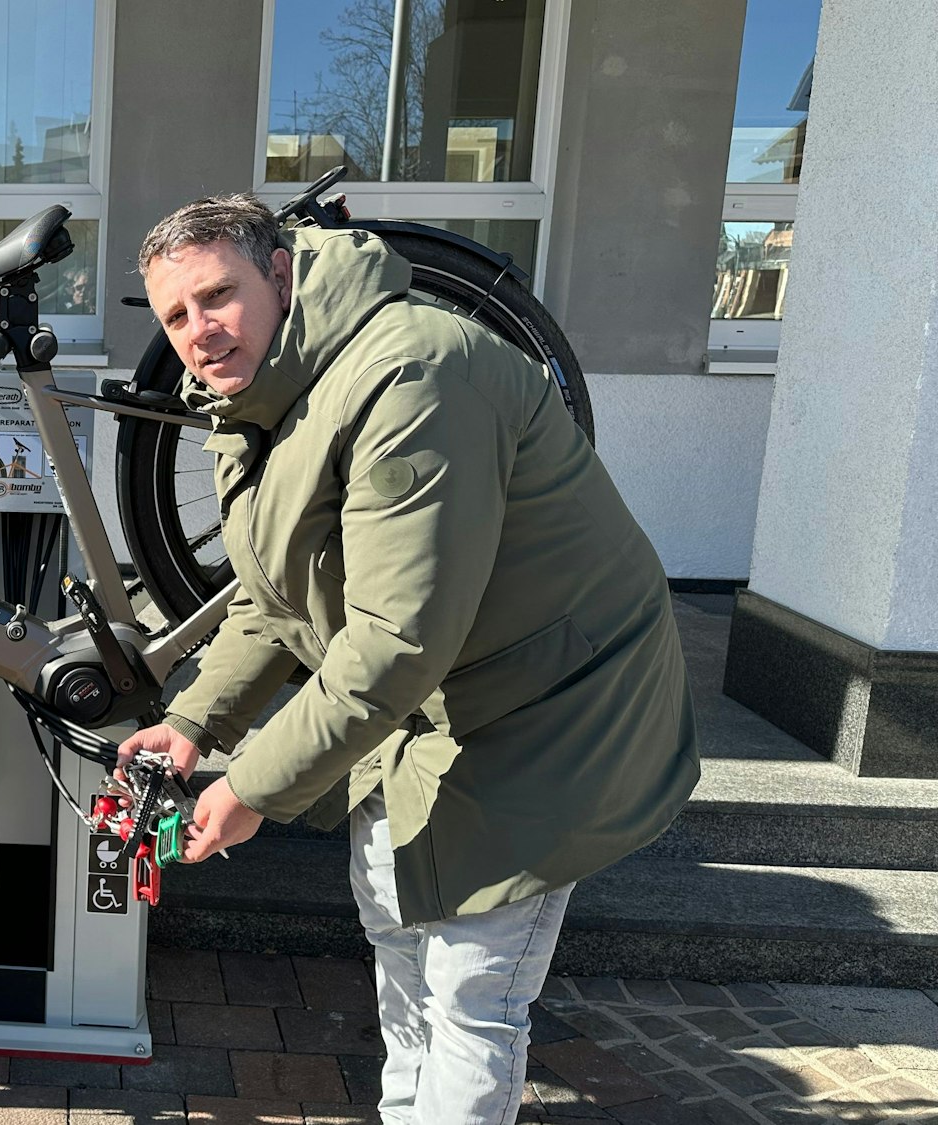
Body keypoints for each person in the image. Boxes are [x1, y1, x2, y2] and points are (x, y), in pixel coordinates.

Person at [117, 194, 700, 1125]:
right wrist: (194, 724)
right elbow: (275, 603)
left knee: (473, 1000)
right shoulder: (261, 398)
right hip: (423, 716)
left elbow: (395, 641)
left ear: (280, 274)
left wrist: (252, 789)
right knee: (401, 968)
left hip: (544, 716)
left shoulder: (413, 373)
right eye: (176, 315)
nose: (199, 332)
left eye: (217, 295)